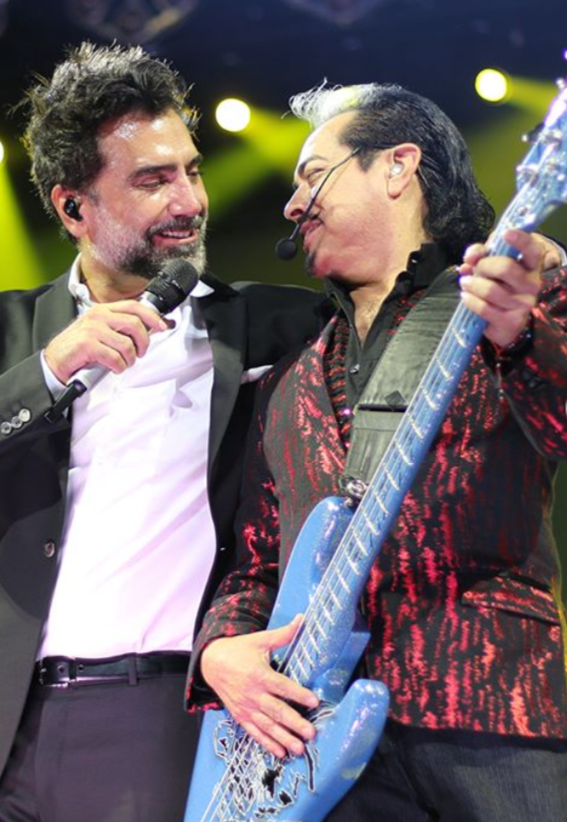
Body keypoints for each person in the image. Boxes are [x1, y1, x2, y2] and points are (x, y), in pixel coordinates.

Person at [0, 43, 329, 822]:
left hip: (156, 717)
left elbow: (404, 304)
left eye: (191, 170)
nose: (189, 200)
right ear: (72, 209)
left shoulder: (270, 324)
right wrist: (50, 370)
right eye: (153, 181)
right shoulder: (3, 327)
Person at [187, 82, 567, 821]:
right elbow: (255, 565)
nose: (291, 206)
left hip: (488, 711)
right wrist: (219, 650)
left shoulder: (513, 302)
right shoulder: (288, 384)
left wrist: (522, 337)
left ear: (397, 166)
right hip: (315, 743)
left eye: (312, 175)